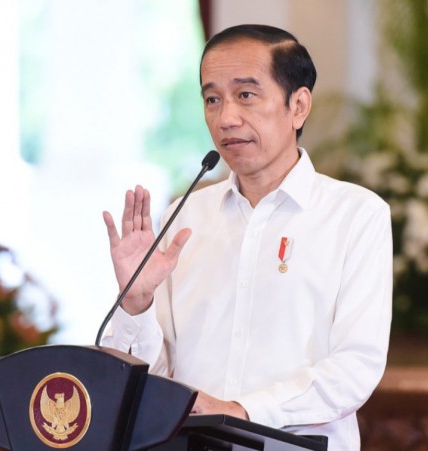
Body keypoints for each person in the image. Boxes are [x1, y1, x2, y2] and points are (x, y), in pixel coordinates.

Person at [101, 24, 392, 450]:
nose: (226, 118)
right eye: (212, 99)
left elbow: (356, 367)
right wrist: (135, 303)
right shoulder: (184, 218)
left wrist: (242, 410)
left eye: (246, 95)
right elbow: (152, 380)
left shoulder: (355, 215)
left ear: (298, 105)